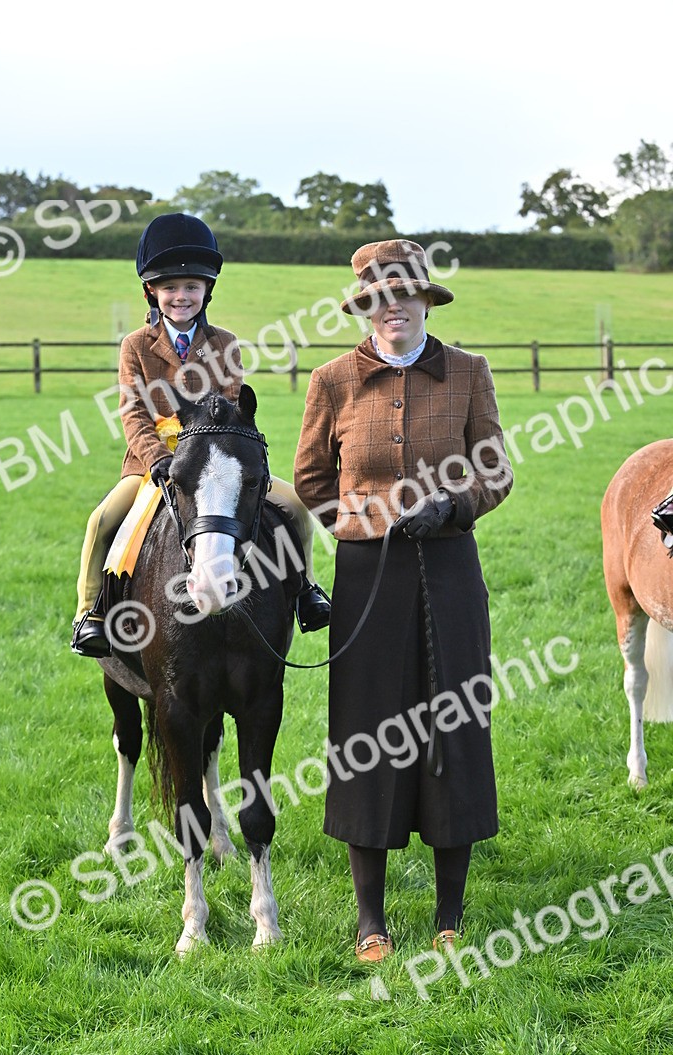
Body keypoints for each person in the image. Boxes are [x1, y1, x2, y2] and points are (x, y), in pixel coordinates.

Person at [293, 239, 513, 962]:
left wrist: (452, 507)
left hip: (450, 570)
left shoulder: (469, 373)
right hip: (368, 579)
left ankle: (450, 915)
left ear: (425, 301)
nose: (394, 308)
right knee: (367, 730)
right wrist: (369, 523)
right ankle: (370, 921)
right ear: (366, 308)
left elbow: (495, 470)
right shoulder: (331, 381)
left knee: (455, 723)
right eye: (380, 299)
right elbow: (313, 483)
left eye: (405, 295)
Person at [71, 213, 331, 656]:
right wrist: (157, 457)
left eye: (191, 287)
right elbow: (133, 412)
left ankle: (306, 590)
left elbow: (229, 408)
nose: (181, 296)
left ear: (206, 291)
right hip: (153, 465)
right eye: (170, 287)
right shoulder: (136, 345)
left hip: (215, 463)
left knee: (295, 507)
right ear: (152, 292)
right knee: (103, 521)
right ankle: (89, 613)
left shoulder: (225, 343)